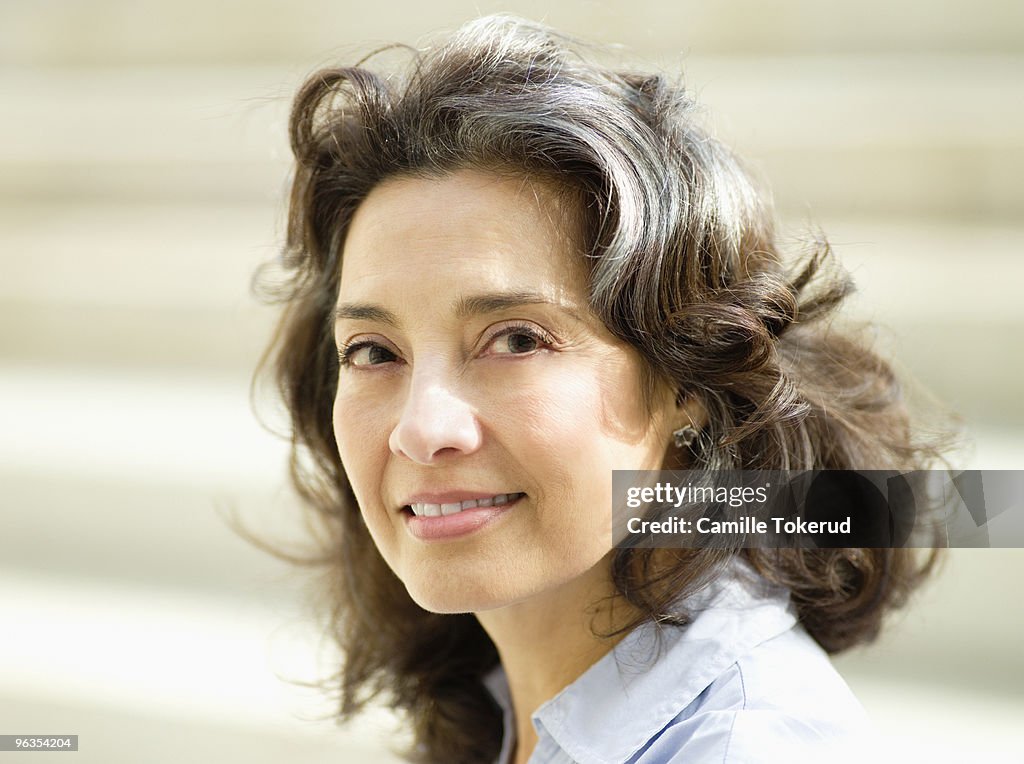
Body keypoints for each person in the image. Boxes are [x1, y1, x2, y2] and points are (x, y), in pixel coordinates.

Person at [256, 15, 950, 764]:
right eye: (373, 351)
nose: (422, 429)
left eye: (517, 339)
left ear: (689, 379)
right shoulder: (501, 703)